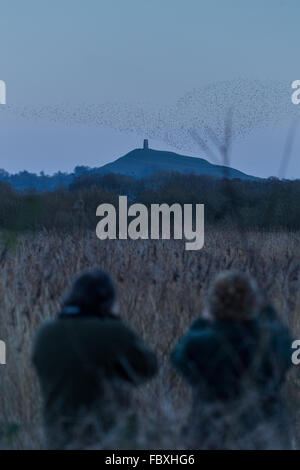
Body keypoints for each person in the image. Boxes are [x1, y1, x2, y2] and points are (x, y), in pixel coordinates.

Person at [32, 269, 158, 449]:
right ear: (105, 303)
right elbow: (148, 367)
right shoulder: (111, 332)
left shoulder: (45, 333)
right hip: (104, 440)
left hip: (57, 439)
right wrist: (114, 321)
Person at [171, 271, 293, 449]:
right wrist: (268, 310)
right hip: (266, 433)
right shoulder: (270, 342)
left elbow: (178, 356)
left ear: (212, 307)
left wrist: (203, 322)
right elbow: (287, 344)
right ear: (253, 305)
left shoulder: (200, 343)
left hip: (210, 433)